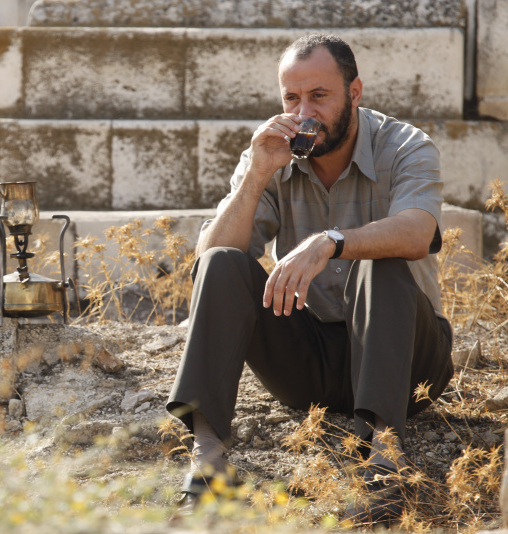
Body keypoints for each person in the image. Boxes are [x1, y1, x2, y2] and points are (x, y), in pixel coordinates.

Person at [166, 32, 453, 525]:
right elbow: (210, 258)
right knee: (222, 262)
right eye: (292, 99)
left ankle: (386, 464)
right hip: (309, 363)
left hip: (408, 360)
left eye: (319, 96)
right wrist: (257, 175)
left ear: (354, 93)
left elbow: (417, 232)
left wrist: (331, 241)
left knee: (380, 260)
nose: (304, 113)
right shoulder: (270, 152)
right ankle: (208, 457)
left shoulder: (406, 145)